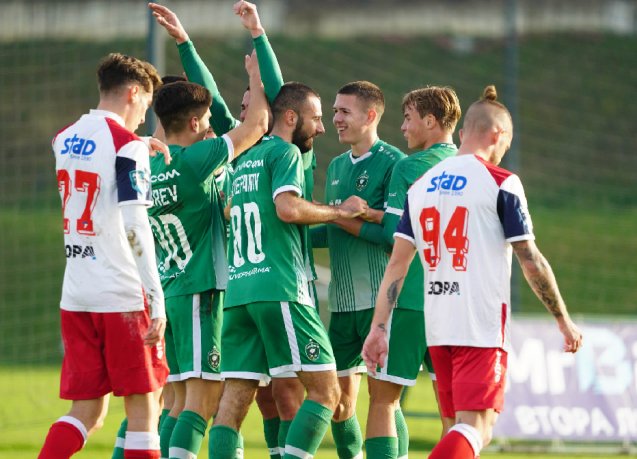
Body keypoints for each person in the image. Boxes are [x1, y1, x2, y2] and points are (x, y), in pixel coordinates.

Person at [362, 85, 583, 459]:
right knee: (476, 429)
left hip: (439, 326)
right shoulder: (501, 182)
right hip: (479, 326)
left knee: (457, 429)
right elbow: (530, 259)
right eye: (506, 143)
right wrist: (563, 319)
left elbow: (397, 264)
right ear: (498, 135)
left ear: (463, 133)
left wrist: (379, 328)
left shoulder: (421, 187)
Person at [149, 3, 315, 457]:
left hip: (224, 286)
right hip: (230, 288)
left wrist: (253, 38)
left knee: (270, 396)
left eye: (250, 106)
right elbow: (234, 112)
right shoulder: (222, 156)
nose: (239, 114)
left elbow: (274, 99)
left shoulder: (284, 151)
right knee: (219, 400)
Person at [209, 82, 368, 459]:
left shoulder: (243, 159)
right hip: (279, 288)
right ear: (291, 117)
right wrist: (340, 211)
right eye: (316, 118)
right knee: (327, 393)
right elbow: (288, 209)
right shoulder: (285, 152)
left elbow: (232, 212)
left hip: (239, 293)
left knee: (232, 403)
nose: (322, 127)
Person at [41, 53, 168, 459]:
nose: (145, 116)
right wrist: (156, 298)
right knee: (144, 410)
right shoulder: (126, 146)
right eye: (146, 104)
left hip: (77, 296)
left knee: (86, 412)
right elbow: (135, 226)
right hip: (122, 296)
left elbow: (95, 159)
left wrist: (138, 146)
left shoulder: (63, 138)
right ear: (133, 93)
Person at [147, 45, 269, 459]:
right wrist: (256, 78)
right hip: (201, 289)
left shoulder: (153, 165)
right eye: (206, 120)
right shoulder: (195, 160)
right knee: (202, 402)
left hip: (171, 288)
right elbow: (256, 125)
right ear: (195, 122)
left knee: (178, 401)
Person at [311, 81, 405, 459]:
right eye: (334, 111)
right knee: (337, 401)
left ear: (370, 115)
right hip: (342, 306)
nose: (335, 119)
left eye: (343, 111)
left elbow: (395, 236)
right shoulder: (336, 165)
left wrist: (345, 217)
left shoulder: (394, 162)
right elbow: (332, 229)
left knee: (384, 399)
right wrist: (287, 230)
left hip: (379, 303)